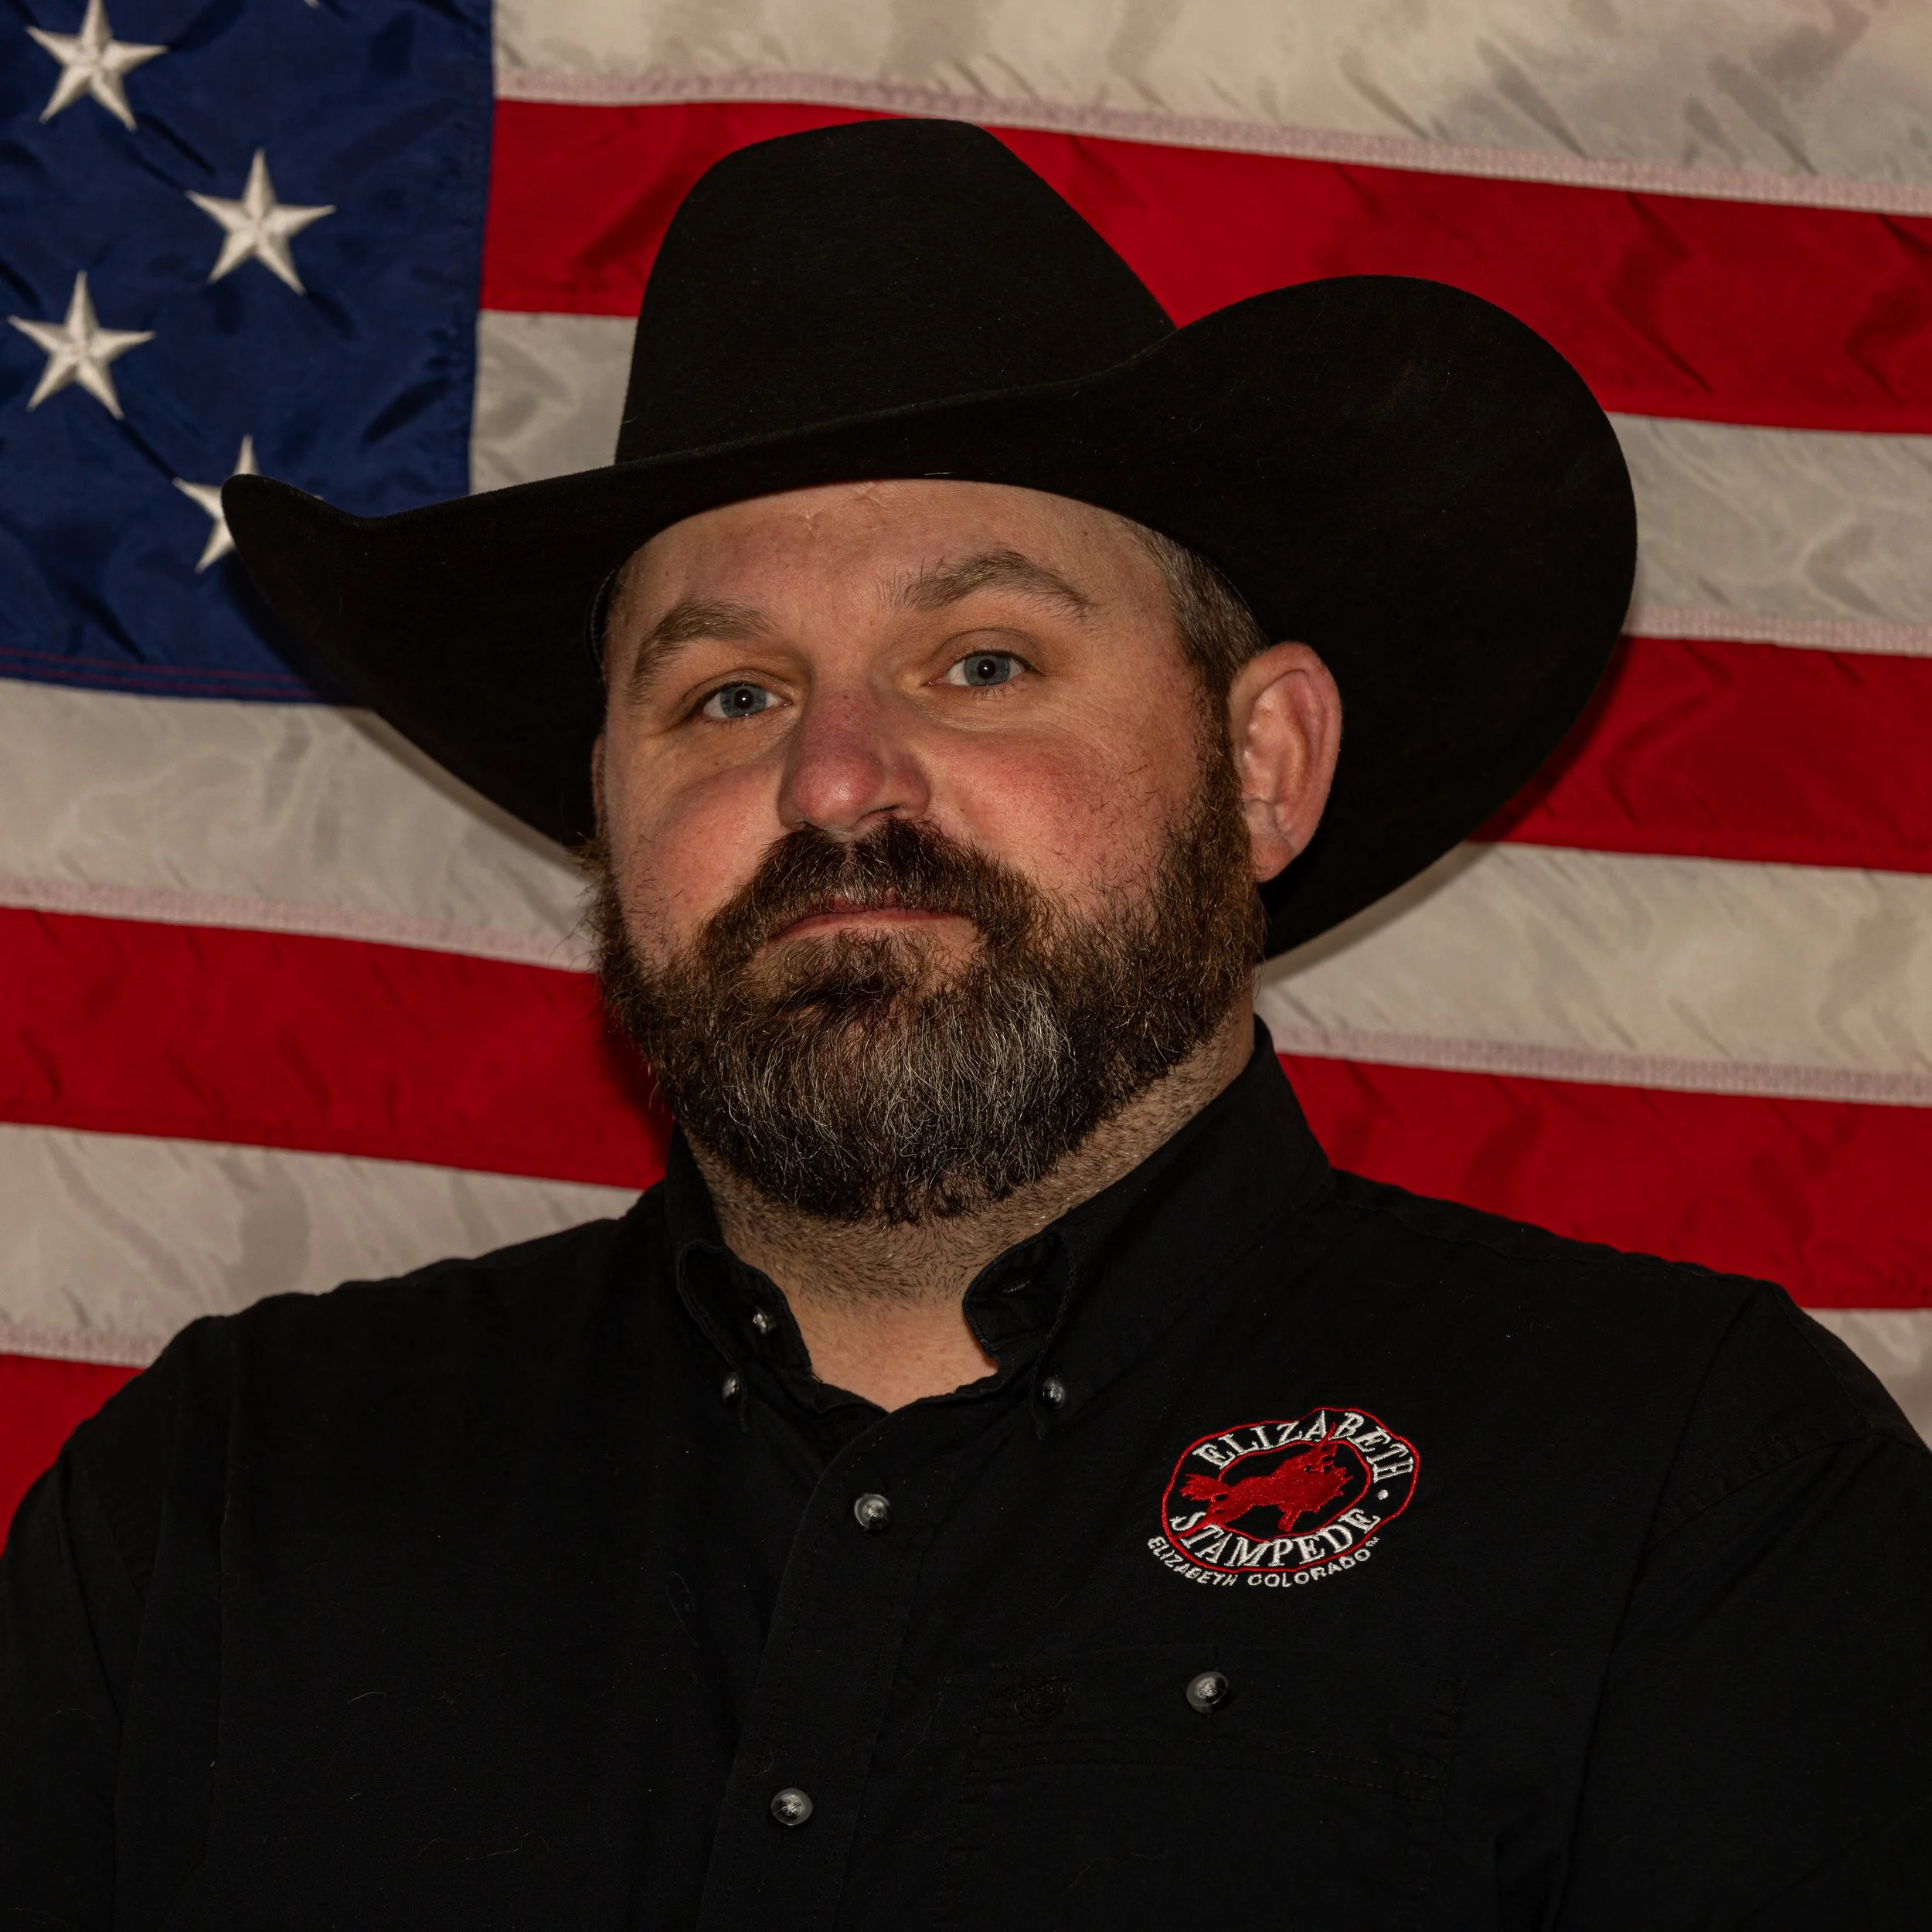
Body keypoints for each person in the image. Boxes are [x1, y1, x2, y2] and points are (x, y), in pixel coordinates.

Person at [3, 117, 1928, 1930]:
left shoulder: (1682, 1490)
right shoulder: (219, 1503)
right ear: (610, 803)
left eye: (982, 661)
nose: (838, 781)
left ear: (1260, 762)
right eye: (728, 696)